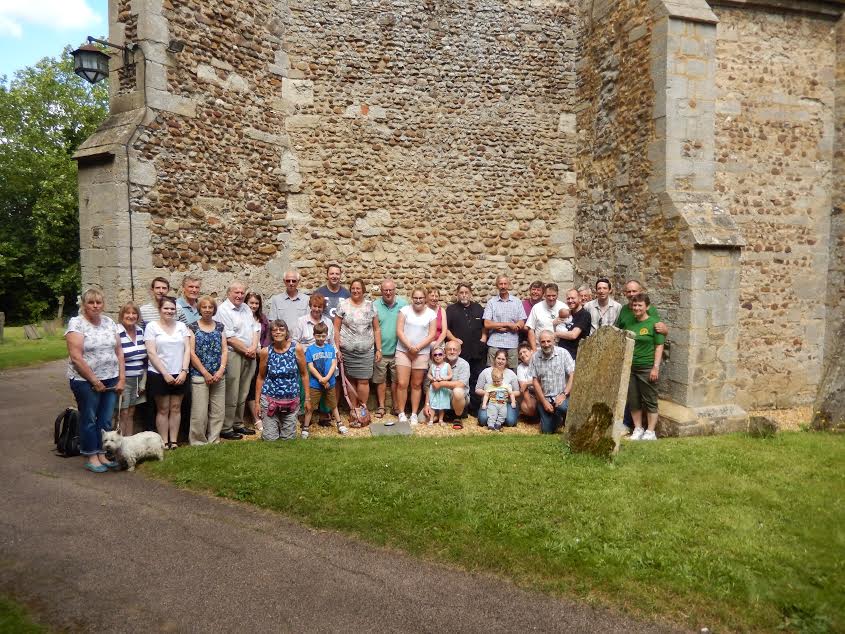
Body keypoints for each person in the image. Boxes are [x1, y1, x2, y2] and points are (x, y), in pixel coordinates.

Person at [65, 289, 125, 473]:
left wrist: (122, 377)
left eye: (99, 302)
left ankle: (102, 453)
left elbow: (119, 351)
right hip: (85, 381)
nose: (95, 306)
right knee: (89, 418)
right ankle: (91, 454)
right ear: (84, 304)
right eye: (91, 302)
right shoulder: (77, 323)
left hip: (111, 378)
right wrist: (94, 381)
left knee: (106, 419)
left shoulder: (109, 322)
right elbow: (76, 357)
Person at [144, 296, 191, 449]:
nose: (169, 311)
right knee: (163, 409)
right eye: (166, 308)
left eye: (172, 309)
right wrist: (165, 373)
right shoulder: (152, 326)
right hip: (159, 374)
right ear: (160, 309)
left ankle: (174, 441)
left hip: (179, 372)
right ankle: (164, 441)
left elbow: (187, 349)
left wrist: (184, 371)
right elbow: (151, 352)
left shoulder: (182, 326)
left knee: (176, 408)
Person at [215, 281, 260, 439]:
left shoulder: (246, 308)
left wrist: (254, 347)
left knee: (244, 391)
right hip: (235, 354)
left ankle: (238, 424)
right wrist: (247, 350)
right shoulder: (223, 310)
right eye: (236, 292)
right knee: (232, 392)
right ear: (229, 293)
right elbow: (229, 337)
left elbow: (255, 328)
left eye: (242, 293)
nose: (240, 295)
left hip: (250, 354)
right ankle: (226, 427)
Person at [254, 320, 310, 441]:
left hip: (291, 400)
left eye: (281, 329)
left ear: (286, 332)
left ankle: (282, 429)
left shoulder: (297, 349)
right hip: (269, 400)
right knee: (270, 439)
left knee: (288, 439)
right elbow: (260, 377)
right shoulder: (266, 351)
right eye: (274, 330)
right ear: (271, 333)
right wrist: (257, 403)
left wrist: (307, 398)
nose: (278, 332)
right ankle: (271, 430)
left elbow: (304, 374)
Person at [334, 278, 381, 418]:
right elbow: (336, 329)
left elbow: (376, 329)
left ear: (363, 290)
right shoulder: (342, 305)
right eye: (353, 288)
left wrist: (379, 349)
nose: (355, 290)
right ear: (350, 289)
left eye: (358, 288)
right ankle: (353, 409)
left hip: (366, 351)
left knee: (364, 380)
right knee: (351, 379)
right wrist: (337, 349)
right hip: (347, 351)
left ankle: (363, 409)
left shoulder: (370, 306)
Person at [623, 293, 665, 441]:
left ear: (647, 307)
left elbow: (659, 346)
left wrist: (655, 367)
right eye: (634, 305)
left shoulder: (655, 323)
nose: (636, 308)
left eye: (640, 305)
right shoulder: (630, 323)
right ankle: (638, 429)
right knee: (633, 400)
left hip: (647, 367)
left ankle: (650, 432)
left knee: (650, 399)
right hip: (630, 368)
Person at [394, 287, 437, 425]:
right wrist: (409, 346)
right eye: (416, 298)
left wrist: (418, 347)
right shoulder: (404, 311)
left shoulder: (431, 314)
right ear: (412, 298)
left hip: (421, 352)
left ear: (425, 299)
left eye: (421, 298)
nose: (418, 301)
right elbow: (399, 331)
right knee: (402, 383)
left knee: (416, 384)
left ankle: (413, 413)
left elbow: (432, 334)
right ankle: (401, 413)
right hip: (403, 351)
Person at [188, 296, 228, 445]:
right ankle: (198, 441)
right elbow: (191, 352)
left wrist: (221, 370)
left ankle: (214, 439)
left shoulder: (220, 327)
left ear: (214, 309)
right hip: (199, 375)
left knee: (218, 410)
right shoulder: (192, 327)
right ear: (199, 309)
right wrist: (205, 372)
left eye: (210, 307)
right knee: (199, 412)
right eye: (204, 307)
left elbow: (224, 350)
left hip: (219, 375)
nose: (207, 310)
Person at [445, 282, 486, 412]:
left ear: (470, 294)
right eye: (461, 292)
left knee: (476, 379)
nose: (464, 295)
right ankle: (459, 409)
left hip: (477, 351)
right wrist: (453, 339)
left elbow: (486, 325)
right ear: (457, 294)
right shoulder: (451, 309)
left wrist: (484, 337)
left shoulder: (479, 308)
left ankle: (473, 409)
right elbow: (446, 329)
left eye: (466, 292)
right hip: (459, 353)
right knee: (461, 380)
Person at [304, 322, 347, 437]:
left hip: (330, 382)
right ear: (314, 335)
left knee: (333, 404)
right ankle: (306, 427)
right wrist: (321, 379)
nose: (321, 338)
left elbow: (334, 364)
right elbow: (310, 367)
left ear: (327, 335)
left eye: (323, 336)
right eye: (318, 336)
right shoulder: (310, 350)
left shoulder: (330, 348)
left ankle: (339, 423)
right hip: (315, 383)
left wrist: (327, 378)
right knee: (310, 406)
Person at [372, 278, 407, 419]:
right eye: (385, 290)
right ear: (381, 291)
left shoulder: (403, 305)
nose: (388, 293)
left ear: (395, 290)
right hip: (380, 351)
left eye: (390, 290)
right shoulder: (374, 305)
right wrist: (377, 349)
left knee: (396, 381)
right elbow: (374, 328)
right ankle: (381, 406)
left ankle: (396, 406)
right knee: (380, 380)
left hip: (399, 351)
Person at [530, 330, 575, 434]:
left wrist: (564, 394)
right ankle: (556, 419)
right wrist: (544, 402)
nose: (546, 344)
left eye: (548, 341)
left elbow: (572, 374)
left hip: (562, 396)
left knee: (562, 407)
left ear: (554, 341)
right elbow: (535, 381)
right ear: (539, 343)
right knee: (546, 431)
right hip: (545, 398)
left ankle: (563, 417)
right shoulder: (535, 357)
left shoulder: (563, 353)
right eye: (543, 342)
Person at [421, 340, 471, 429]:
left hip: (455, 398)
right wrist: (427, 404)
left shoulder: (464, 364)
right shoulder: (436, 361)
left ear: (459, 352)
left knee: (458, 391)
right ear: (445, 351)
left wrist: (442, 384)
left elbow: (461, 384)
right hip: (438, 397)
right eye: (449, 349)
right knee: (421, 419)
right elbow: (429, 386)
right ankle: (441, 415)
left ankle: (457, 417)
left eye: (454, 349)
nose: (452, 352)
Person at [116, 301, 147, 436]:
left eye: (134, 313)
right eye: (127, 313)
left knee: (131, 412)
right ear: (122, 315)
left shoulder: (140, 331)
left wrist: (143, 381)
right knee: (122, 412)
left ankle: (128, 442)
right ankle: (118, 444)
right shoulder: (116, 331)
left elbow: (145, 359)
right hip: (123, 379)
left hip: (137, 379)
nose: (131, 316)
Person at [482, 275, 526, 369]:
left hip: (512, 343)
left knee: (512, 372)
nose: (503, 286)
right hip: (494, 343)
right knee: (491, 371)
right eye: (500, 284)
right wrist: (508, 324)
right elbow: (487, 324)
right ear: (497, 285)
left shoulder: (517, 302)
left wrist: (514, 327)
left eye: (505, 284)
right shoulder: (491, 303)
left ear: (509, 285)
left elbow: (521, 322)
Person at [474, 350, 520, 427]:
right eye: (498, 358)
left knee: (510, 422)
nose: (500, 361)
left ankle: (503, 417)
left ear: (506, 361)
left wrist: (506, 394)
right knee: (483, 420)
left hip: (505, 402)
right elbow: (477, 389)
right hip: (490, 402)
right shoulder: (486, 372)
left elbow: (517, 392)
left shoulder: (511, 374)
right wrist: (488, 393)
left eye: (503, 359)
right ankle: (494, 418)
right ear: (495, 359)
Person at [244, 291, 270, 426]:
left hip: (260, 356)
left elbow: (267, 338)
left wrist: (262, 351)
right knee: (249, 387)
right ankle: (255, 418)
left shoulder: (263, 319)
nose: (253, 306)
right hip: (246, 355)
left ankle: (265, 414)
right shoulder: (242, 317)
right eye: (251, 303)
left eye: (256, 303)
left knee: (260, 386)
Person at [526, 283, 566, 350]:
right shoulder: (537, 308)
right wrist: (534, 349)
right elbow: (531, 329)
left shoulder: (564, 307)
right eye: (548, 296)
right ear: (544, 295)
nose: (551, 298)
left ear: (557, 295)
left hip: (558, 348)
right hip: (540, 348)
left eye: (554, 296)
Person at [555, 289, 591, 360]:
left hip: (576, 356)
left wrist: (556, 334)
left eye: (573, 298)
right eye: (568, 298)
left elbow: (573, 335)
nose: (570, 301)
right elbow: (555, 323)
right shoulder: (566, 313)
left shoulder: (584, 315)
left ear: (579, 299)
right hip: (562, 355)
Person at [482, 367, 517, 432]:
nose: (496, 383)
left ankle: (498, 424)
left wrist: (513, 402)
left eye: (498, 381)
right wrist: (484, 404)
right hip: (492, 404)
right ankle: (491, 425)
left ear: (502, 379)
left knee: (503, 414)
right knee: (492, 414)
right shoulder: (490, 386)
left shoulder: (506, 386)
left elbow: (511, 394)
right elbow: (486, 395)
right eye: (494, 381)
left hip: (503, 404)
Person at [426, 346, 453, 426]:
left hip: (443, 389)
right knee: (433, 405)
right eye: (435, 355)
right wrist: (432, 378)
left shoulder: (447, 365)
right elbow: (429, 374)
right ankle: (431, 420)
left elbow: (450, 375)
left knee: (442, 405)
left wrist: (444, 378)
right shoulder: (432, 366)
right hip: (434, 389)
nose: (437, 356)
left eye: (440, 354)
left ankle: (441, 420)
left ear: (444, 355)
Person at [515, 342, 538, 419]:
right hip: (532, 394)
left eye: (524, 352)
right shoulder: (520, 367)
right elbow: (523, 388)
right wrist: (530, 406)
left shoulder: (539, 361)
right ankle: (534, 415)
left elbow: (543, 381)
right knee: (526, 407)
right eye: (520, 353)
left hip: (545, 392)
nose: (522, 355)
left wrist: (527, 383)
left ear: (531, 351)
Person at [426, 286, 449, 351]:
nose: (434, 298)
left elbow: (444, 331)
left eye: (436, 296)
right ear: (427, 297)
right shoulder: (423, 309)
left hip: (439, 343)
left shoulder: (442, 310)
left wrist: (436, 345)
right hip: (424, 344)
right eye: (432, 296)